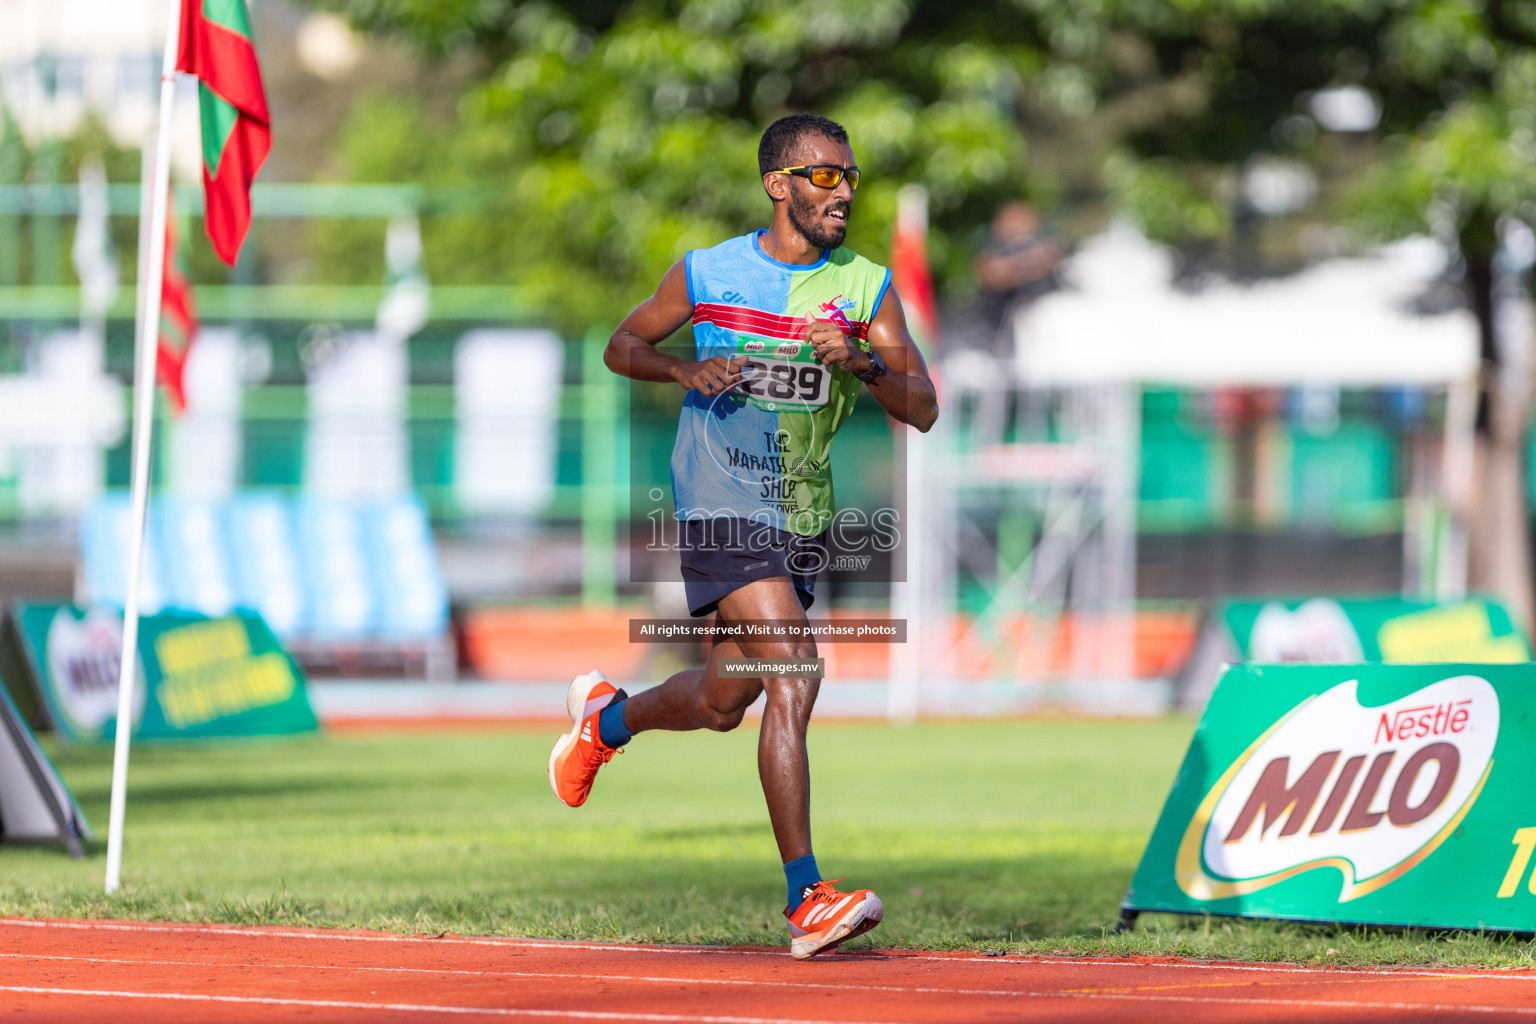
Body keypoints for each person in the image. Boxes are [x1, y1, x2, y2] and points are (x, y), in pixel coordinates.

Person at [548, 113, 938, 960]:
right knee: (795, 672)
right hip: (720, 499)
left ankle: (608, 722)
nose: (842, 192)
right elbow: (622, 344)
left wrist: (865, 365)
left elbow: (926, 408)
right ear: (778, 185)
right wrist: (684, 368)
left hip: (801, 511)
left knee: (732, 701)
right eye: (824, 176)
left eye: (850, 177)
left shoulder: (865, 288)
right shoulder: (708, 272)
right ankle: (808, 899)